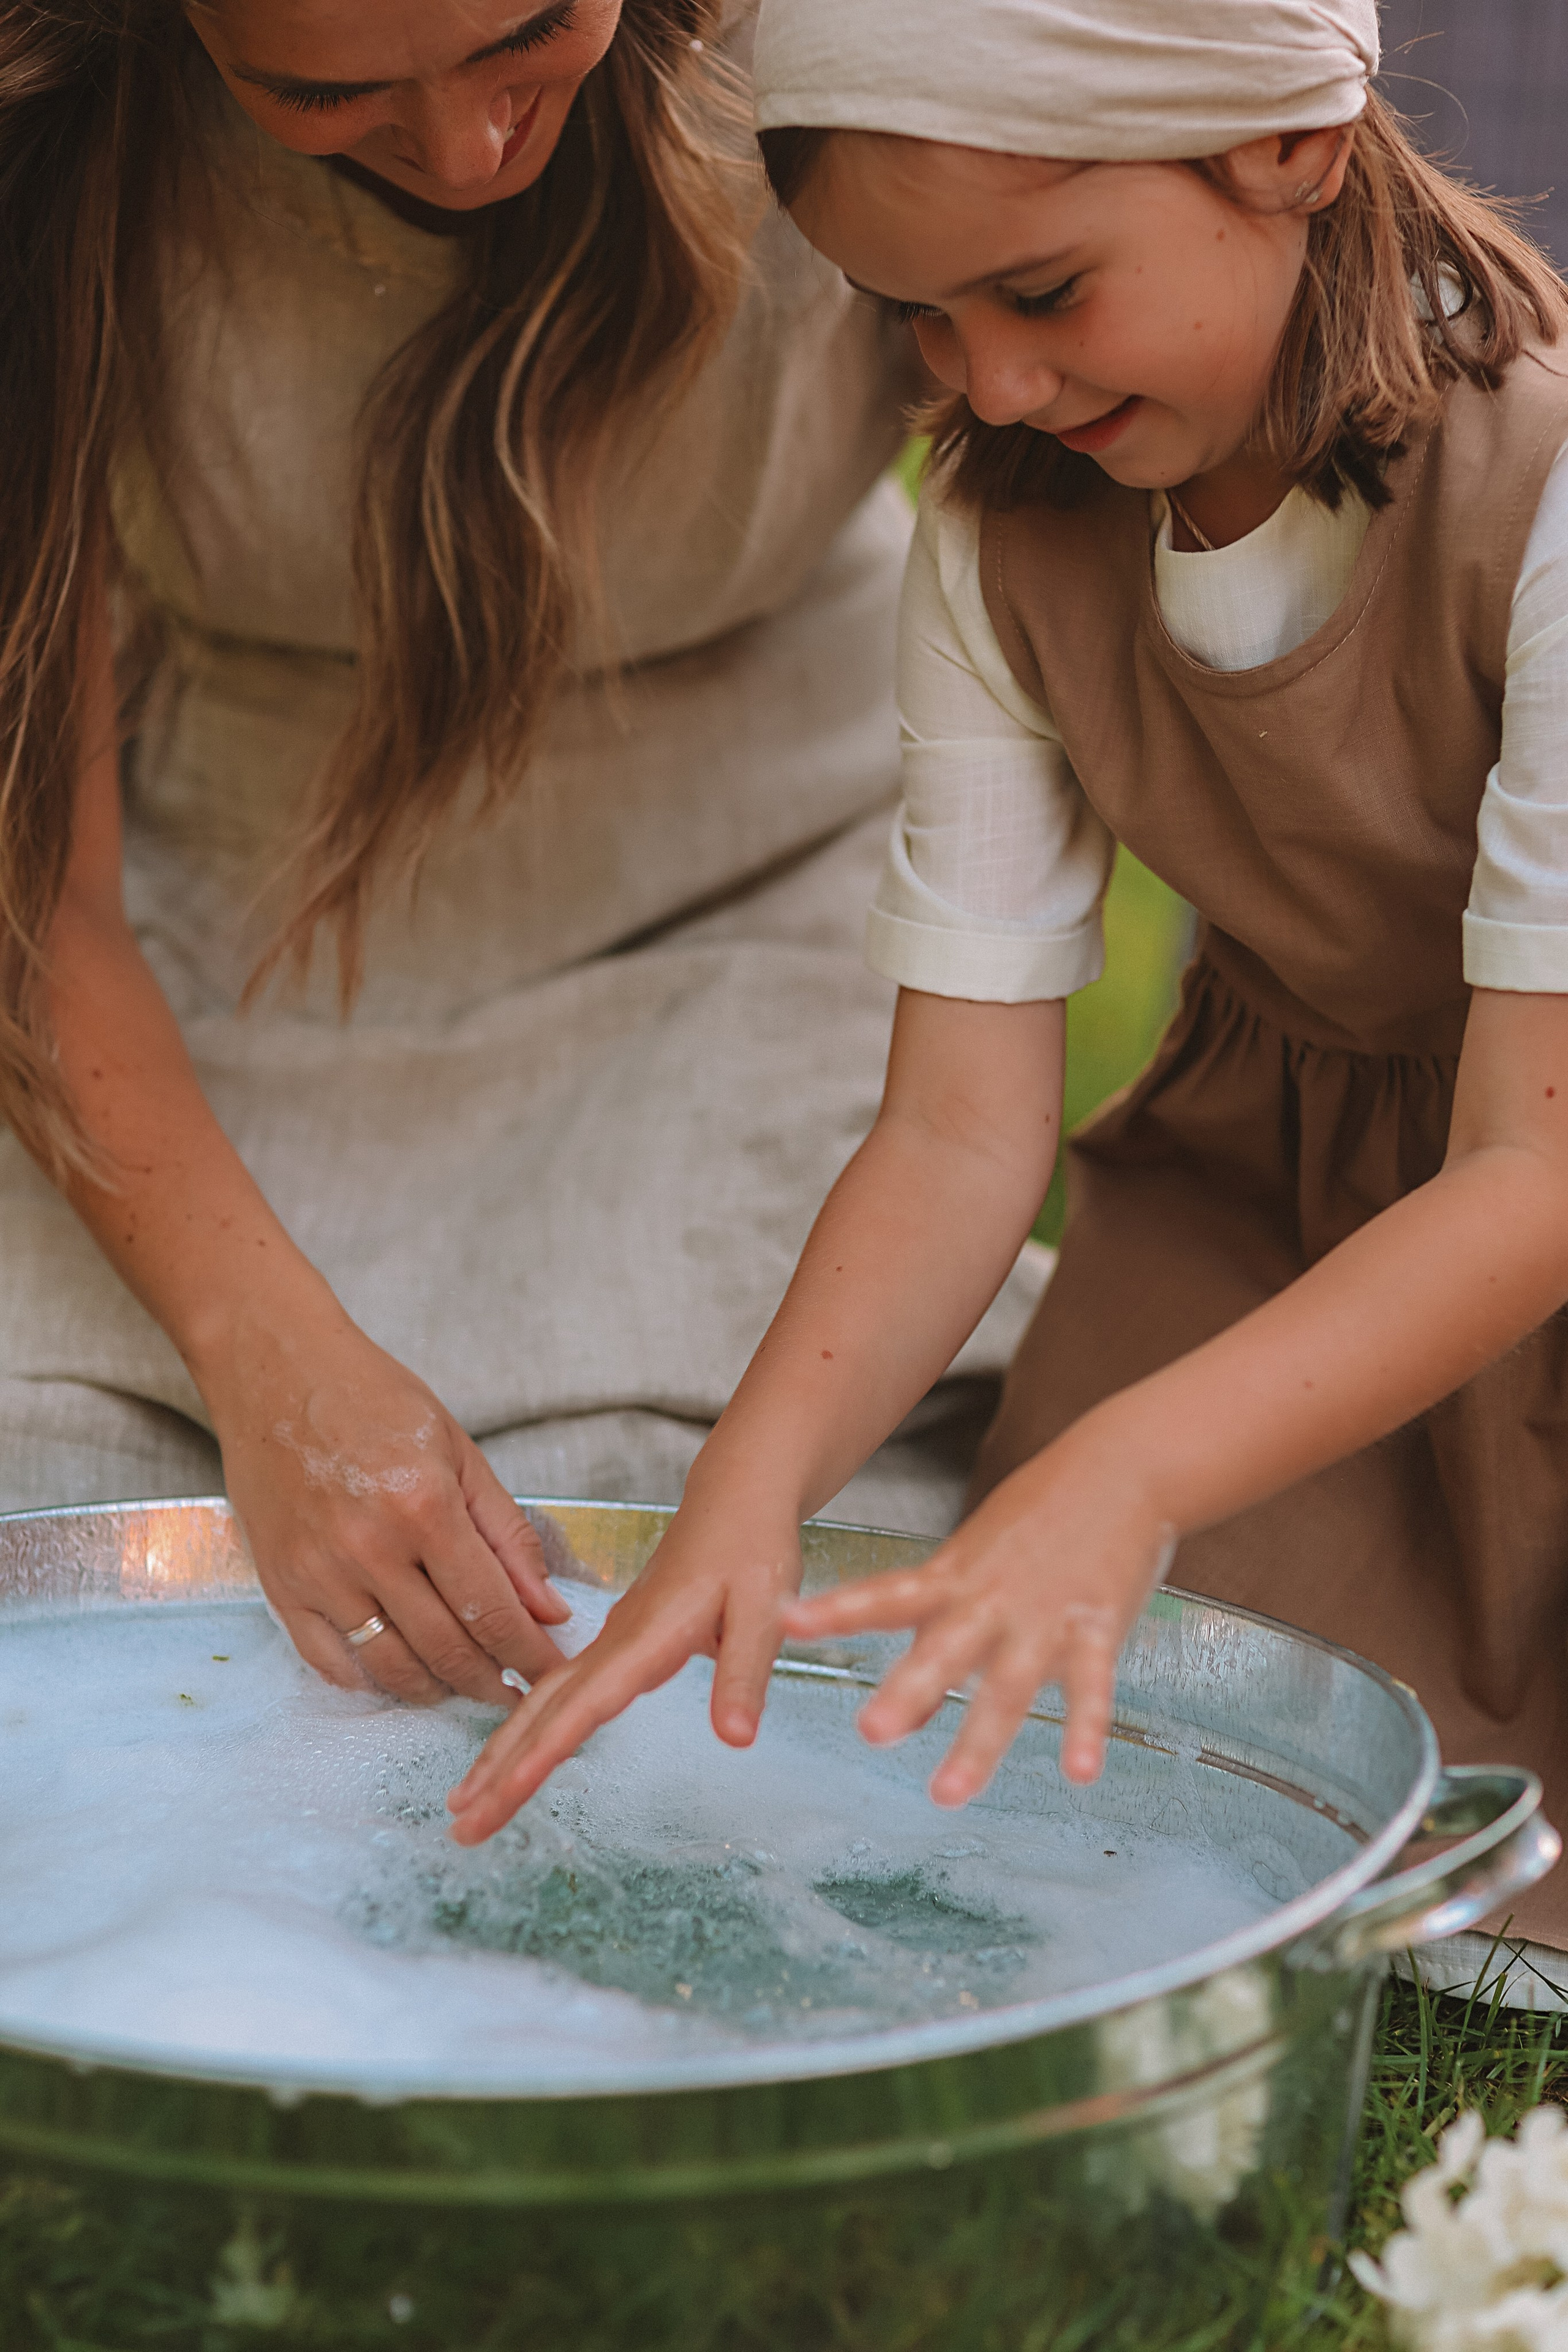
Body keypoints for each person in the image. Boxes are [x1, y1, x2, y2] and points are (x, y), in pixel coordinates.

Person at [449, 0, 1568, 1990]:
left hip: (1523, 1177)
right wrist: (748, 1494)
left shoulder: (1547, 501)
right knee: (1124, 1824)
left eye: (1042, 290)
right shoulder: (1001, 534)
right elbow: (963, 1128)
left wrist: (1125, 1466)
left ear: (1293, 147)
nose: (994, 381)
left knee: (1458, 1894)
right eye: (921, 323)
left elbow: (1527, 1179)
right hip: (1281, 1210)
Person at [0, 0, 1043, 1708]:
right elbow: (39, 891)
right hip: (221, 906)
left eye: (532, 33)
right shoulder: (47, 114)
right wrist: (264, 1358)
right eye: (326, 92)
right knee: (73, 1520)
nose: (473, 148)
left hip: (752, 871)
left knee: (636, 1532)